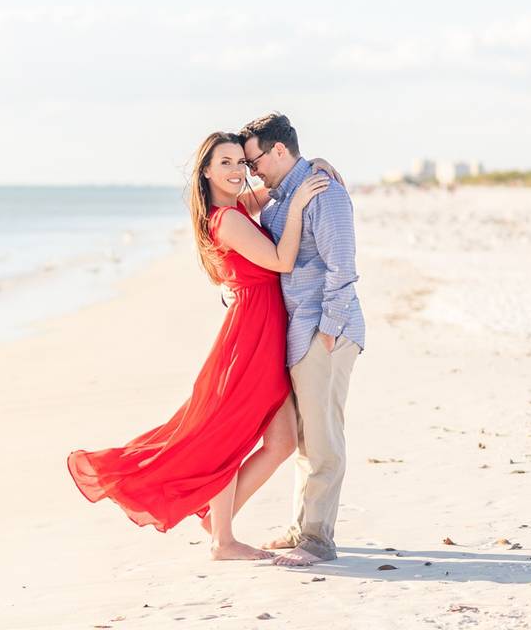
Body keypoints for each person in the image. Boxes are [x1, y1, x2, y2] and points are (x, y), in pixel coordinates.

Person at [67, 131, 333, 561]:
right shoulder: (226, 219)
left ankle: (216, 522)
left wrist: (311, 166)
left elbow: (269, 189)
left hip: (263, 330)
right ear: (206, 171)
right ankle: (223, 540)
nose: (235, 171)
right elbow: (282, 260)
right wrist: (301, 205)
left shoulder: (235, 208)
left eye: (240, 163)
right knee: (226, 436)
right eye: (224, 163)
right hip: (251, 336)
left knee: (280, 442)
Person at [231, 113, 365, 566]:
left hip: (324, 331)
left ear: (280, 151)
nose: (252, 172)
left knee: (324, 436)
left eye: (254, 162)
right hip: (298, 332)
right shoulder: (281, 199)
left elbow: (342, 267)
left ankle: (318, 540)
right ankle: (301, 526)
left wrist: (328, 330)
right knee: (307, 435)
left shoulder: (324, 195)